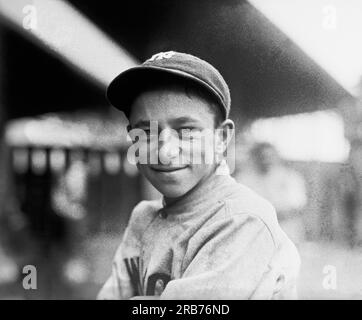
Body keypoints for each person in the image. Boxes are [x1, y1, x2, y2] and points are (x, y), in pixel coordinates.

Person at [97, 51, 300, 300]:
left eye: (186, 130)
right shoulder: (143, 218)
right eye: (146, 132)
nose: (165, 151)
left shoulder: (242, 219)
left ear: (222, 138)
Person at [236, 142, 307, 245]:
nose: (266, 160)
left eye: (270, 156)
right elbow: (240, 208)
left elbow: (296, 206)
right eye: (261, 156)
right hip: (255, 237)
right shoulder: (244, 179)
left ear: (276, 157)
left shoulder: (290, 177)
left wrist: (264, 214)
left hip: (286, 233)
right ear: (254, 158)